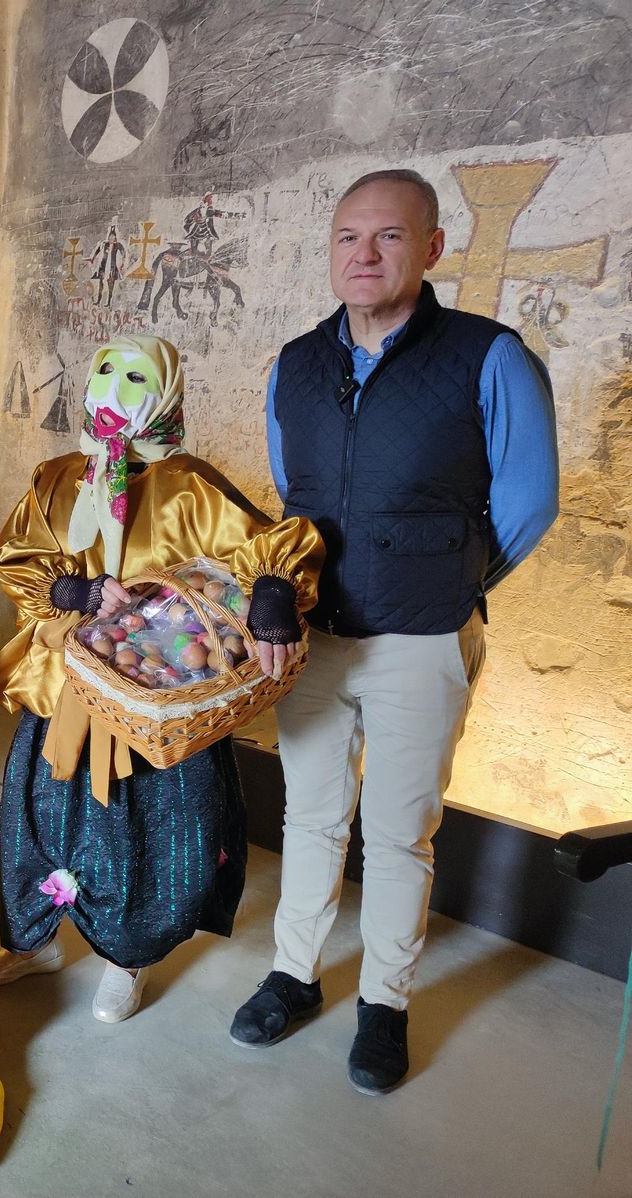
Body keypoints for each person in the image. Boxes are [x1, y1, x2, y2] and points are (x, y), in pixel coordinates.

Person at [230, 168, 559, 1095]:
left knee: (401, 831)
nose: (365, 255)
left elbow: (530, 504)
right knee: (310, 816)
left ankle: (384, 1002)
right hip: (314, 636)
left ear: (431, 248)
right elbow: (294, 501)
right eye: (348, 238)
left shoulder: (488, 356)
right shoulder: (296, 363)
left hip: (423, 637)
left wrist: (453, 577)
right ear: (331, 249)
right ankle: (293, 977)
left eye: (388, 237)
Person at [0, 334, 323, 1023]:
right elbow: (18, 553)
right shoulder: (58, 476)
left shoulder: (192, 485)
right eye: (105, 368)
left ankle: (125, 959)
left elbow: (265, 547)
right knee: (36, 818)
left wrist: (277, 589)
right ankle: (35, 941)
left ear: (166, 390)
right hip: (63, 684)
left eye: (136, 374)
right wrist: (70, 592)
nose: (115, 385)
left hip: (156, 701)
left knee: (147, 830)